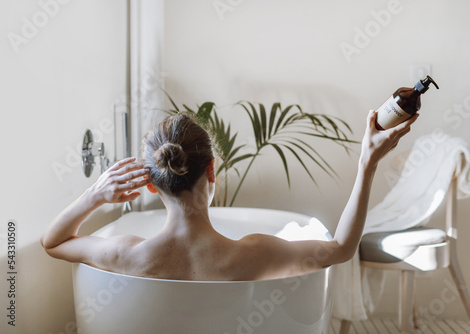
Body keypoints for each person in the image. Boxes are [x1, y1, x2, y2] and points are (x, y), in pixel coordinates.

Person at [41, 110, 417, 281]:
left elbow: (53, 242)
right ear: (212, 170)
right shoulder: (255, 254)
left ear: (152, 185)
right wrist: (367, 164)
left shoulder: (124, 253)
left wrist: (94, 195)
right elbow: (341, 249)